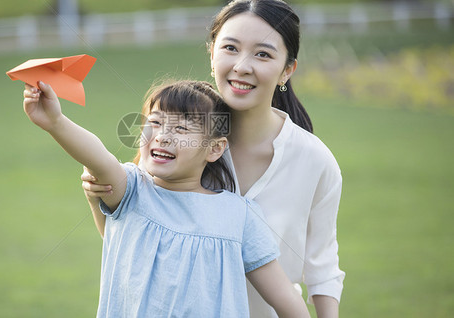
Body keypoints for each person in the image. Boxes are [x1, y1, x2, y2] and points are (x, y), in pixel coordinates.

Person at [82, 0, 345, 318]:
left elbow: (322, 269)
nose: (242, 66)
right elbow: (137, 236)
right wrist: (98, 199)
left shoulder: (314, 161)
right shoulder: (175, 147)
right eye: (230, 48)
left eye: (263, 54)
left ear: (287, 71)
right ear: (211, 53)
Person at [22, 79, 310, 317]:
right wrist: (56, 122)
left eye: (182, 128)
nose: (162, 136)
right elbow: (99, 158)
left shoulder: (239, 214)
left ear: (214, 148)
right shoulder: (133, 189)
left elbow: (286, 298)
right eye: (156, 122)